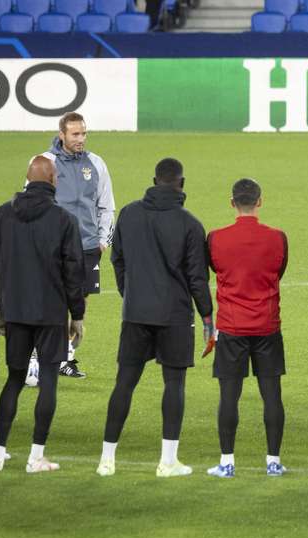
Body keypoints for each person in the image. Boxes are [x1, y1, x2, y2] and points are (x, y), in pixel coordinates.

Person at [97, 158, 213, 477]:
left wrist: (129, 292)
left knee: (124, 382)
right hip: (174, 315)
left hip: (135, 312)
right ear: (181, 184)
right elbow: (197, 278)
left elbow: (117, 259)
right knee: (174, 384)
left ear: (154, 180)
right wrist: (207, 316)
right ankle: (168, 461)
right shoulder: (190, 224)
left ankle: (107, 460)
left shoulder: (130, 214)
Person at [0, 156, 85, 473]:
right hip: (51, 313)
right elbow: (74, 273)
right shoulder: (63, 219)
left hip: (15, 311)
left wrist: (1, 306)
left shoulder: (1, 215)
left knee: (14, 379)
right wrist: (77, 315)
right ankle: (35, 456)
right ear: (53, 180)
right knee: (49, 380)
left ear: (26, 179)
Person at [205, 179, 289, 478]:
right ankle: (273, 461)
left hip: (231, 328)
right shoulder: (278, 238)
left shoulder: (215, 239)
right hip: (267, 326)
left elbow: (214, 270)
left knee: (229, 396)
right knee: (272, 395)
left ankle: (227, 462)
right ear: (260, 201)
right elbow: (279, 271)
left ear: (232, 203)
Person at [33, 111, 116, 380]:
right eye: (75, 134)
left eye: (84, 133)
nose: (81, 139)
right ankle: (42, 353)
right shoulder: (45, 163)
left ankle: (65, 356)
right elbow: (32, 202)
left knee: (79, 301)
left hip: (89, 246)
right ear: (62, 135)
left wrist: (103, 240)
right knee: (54, 302)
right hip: (55, 247)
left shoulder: (95, 163)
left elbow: (107, 205)